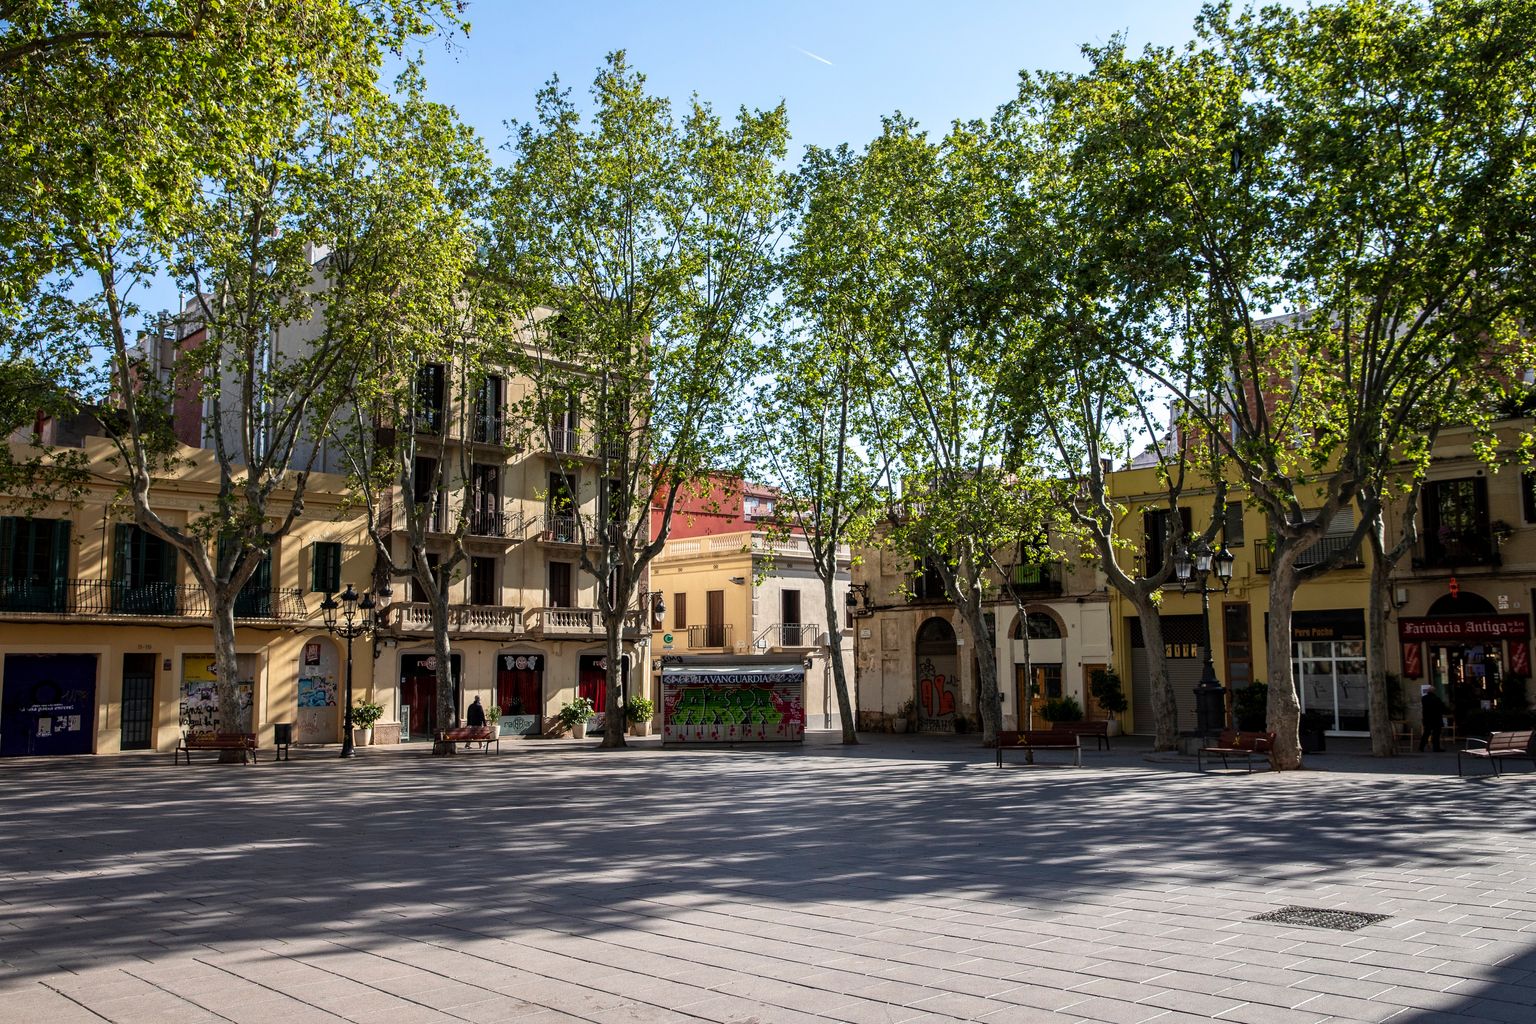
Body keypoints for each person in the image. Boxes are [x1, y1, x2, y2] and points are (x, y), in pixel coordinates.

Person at [1419, 684, 1447, 752]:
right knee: (1436, 734)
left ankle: (1421, 747)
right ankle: (1436, 747)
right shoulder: (1437, 699)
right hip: (1436, 719)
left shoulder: (1424, 699)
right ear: (1434, 692)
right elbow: (1442, 708)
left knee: (1426, 733)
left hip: (1427, 719)